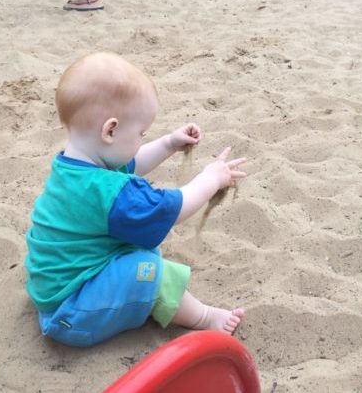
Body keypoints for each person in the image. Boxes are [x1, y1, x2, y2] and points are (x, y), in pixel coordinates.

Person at [24, 52, 246, 347]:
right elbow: (170, 209)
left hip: (57, 288)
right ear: (110, 130)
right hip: (72, 312)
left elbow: (130, 163)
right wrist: (212, 178)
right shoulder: (107, 191)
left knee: (139, 250)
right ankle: (203, 317)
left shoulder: (74, 166)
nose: (141, 139)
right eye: (141, 133)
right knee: (149, 270)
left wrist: (168, 143)